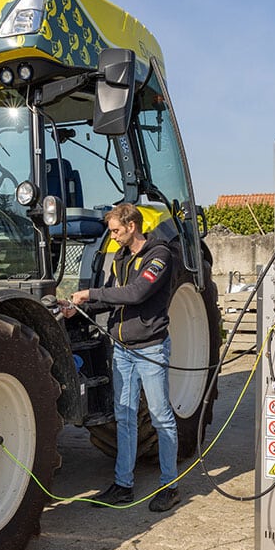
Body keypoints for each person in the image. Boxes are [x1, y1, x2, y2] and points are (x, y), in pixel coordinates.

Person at [62, 203, 181, 512]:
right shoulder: (121, 258)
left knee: (160, 417)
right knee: (124, 417)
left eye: (116, 230)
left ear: (132, 227)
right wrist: (80, 308)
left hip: (151, 349)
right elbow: (115, 299)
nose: (112, 236)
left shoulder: (159, 256)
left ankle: (170, 486)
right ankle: (123, 485)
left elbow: (136, 293)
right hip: (123, 351)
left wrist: (90, 294)